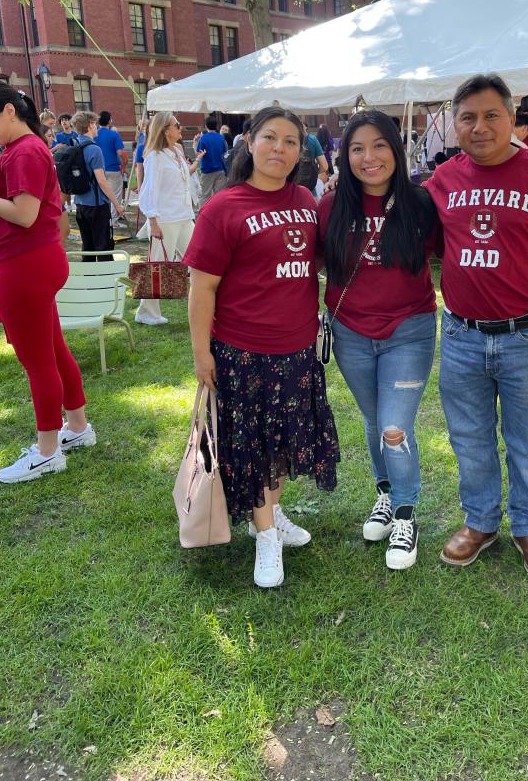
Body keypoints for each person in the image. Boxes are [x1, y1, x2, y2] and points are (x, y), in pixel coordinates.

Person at [423, 73, 528, 582]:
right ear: (454, 124)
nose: (480, 127)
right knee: (470, 437)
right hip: (459, 335)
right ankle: (480, 522)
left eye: (490, 115)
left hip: (527, 336)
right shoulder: (441, 181)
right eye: (468, 117)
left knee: (526, 440)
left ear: (511, 117)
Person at [184, 106, 340, 589]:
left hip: (296, 350)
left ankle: (266, 513)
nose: (280, 148)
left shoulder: (305, 201)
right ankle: (266, 534)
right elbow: (201, 288)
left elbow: (316, 262)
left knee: (287, 441)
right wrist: (201, 353)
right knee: (255, 446)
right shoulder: (224, 207)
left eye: (291, 141)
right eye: (270, 137)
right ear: (249, 142)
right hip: (242, 353)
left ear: (302, 152)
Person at [320, 110, 438, 571]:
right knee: (373, 420)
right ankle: (385, 495)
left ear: (396, 148)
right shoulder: (331, 207)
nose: (368, 157)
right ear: (345, 155)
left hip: (408, 331)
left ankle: (406, 513)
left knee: (395, 426)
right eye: (356, 148)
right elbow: (301, 262)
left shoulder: (421, 203)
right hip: (349, 332)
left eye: (379, 146)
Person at [0, 84, 96, 484]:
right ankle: (77, 428)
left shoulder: (24, 150)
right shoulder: (23, 149)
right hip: (31, 260)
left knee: (37, 360)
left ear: (7, 111)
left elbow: (24, 214)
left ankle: (48, 451)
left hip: (25, 262)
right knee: (51, 351)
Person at [135, 112, 203, 326]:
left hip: (184, 216)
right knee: (158, 265)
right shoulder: (154, 156)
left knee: (200, 260)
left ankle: (207, 302)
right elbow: (149, 189)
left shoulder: (176, 151)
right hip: (164, 218)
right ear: (165, 129)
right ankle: (146, 311)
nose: (180, 128)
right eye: (177, 124)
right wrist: (153, 221)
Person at [70, 111, 126, 261]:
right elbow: (101, 181)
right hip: (97, 205)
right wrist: (117, 204)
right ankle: (106, 281)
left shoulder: (74, 145)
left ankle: (90, 280)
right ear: (90, 125)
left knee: (87, 246)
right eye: (94, 124)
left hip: (80, 204)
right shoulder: (94, 149)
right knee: (103, 247)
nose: (96, 127)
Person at [95, 110, 127, 226]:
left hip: (98, 169)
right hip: (113, 169)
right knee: (116, 194)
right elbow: (120, 152)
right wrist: (124, 164)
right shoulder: (114, 134)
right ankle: (114, 220)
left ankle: (105, 219)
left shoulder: (95, 134)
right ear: (109, 121)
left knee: (102, 195)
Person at [195, 116, 228, 206]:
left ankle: (204, 214)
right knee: (220, 195)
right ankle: (219, 214)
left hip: (207, 170)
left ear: (206, 126)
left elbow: (199, 154)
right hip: (220, 169)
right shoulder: (221, 138)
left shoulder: (203, 138)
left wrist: (195, 143)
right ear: (216, 125)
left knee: (204, 195)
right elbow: (225, 152)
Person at [297, 129, 329, 196]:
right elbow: (324, 166)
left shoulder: (283, 139)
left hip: (286, 192)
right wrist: (313, 174)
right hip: (309, 190)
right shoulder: (311, 139)